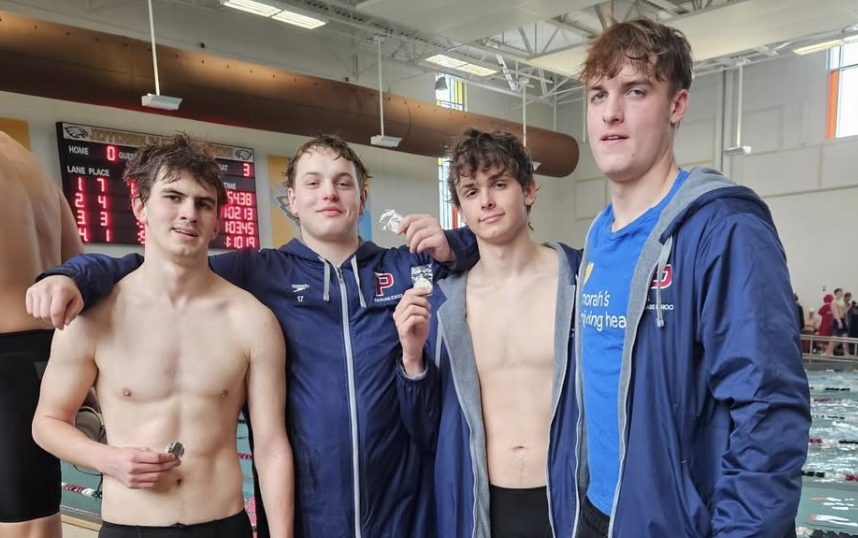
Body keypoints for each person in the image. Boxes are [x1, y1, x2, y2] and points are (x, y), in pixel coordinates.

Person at [26, 134, 477, 538]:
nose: (329, 193)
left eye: (343, 183)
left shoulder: (406, 265)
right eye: (313, 182)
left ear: (362, 199)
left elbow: (495, 237)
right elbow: (158, 267)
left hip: (399, 499)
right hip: (311, 505)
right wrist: (75, 274)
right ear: (291, 200)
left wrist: (452, 243)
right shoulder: (260, 271)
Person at [575, 18, 810, 538]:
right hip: (597, 513)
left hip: (675, 524)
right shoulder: (597, 238)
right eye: (598, 95)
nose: (610, 112)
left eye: (635, 91)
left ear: (677, 105)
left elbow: (769, 412)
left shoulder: (725, 230)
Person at [31, 134, 293, 538]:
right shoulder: (95, 317)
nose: (189, 213)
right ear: (140, 206)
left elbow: (272, 446)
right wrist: (108, 459)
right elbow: (47, 422)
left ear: (217, 220)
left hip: (223, 526)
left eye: (203, 203)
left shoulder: (252, 320)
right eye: (173, 197)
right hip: (130, 525)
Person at [395, 128, 582, 538]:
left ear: (528, 190)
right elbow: (426, 432)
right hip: (483, 505)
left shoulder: (580, 282)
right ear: (460, 209)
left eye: (499, 184)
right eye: (472, 191)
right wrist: (411, 360)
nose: (487, 201)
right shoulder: (444, 305)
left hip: (570, 499)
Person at [0, 130, 83, 538]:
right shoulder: (32, 167)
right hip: (46, 358)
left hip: (5, 363)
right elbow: (78, 269)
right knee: (35, 515)